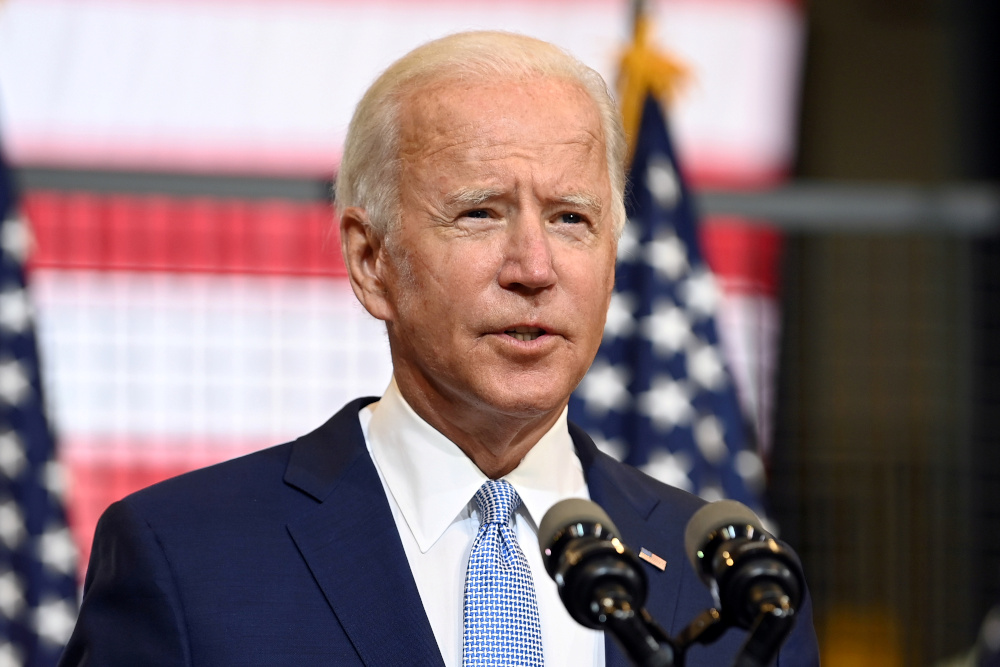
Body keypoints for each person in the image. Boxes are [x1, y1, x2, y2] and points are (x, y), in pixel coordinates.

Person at [60, 31, 819, 666]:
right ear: (370, 260)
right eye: (480, 213)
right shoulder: (188, 559)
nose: (534, 268)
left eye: (571, 219)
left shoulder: (739, 591)